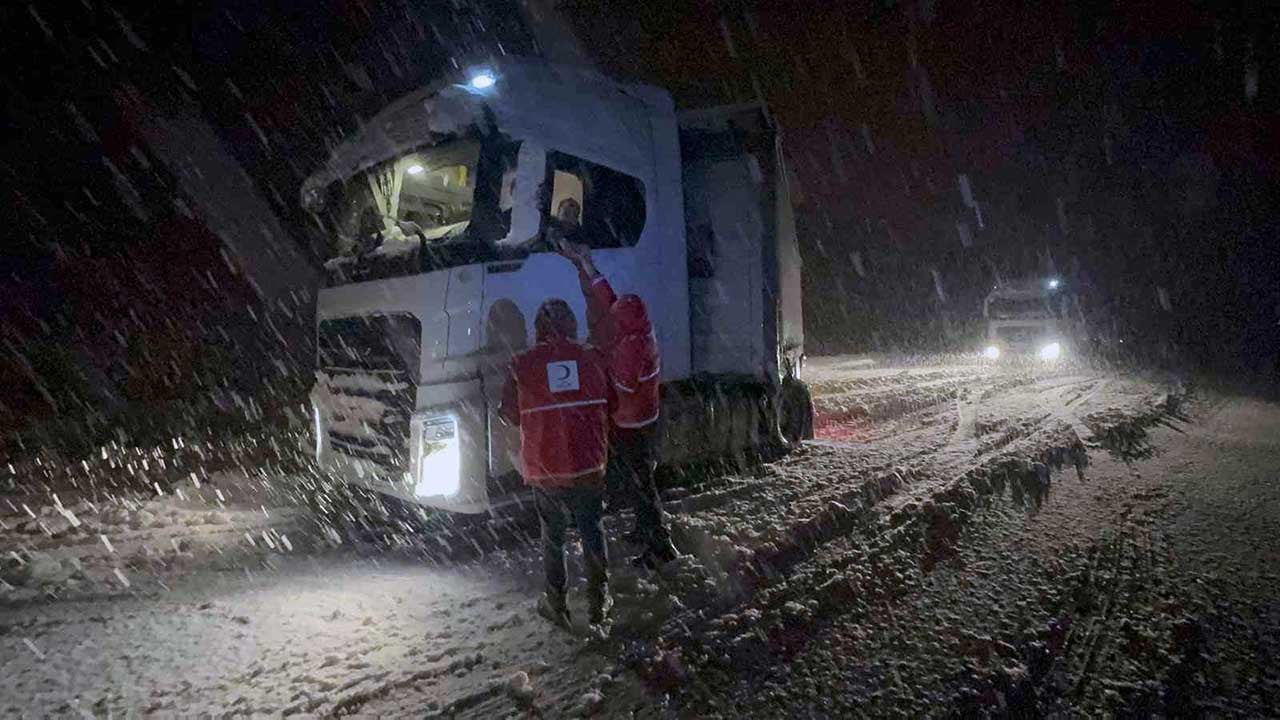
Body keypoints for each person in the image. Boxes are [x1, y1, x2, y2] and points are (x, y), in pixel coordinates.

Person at [557, 240, 680, 569]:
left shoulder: (633, 347)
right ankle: (644, 529)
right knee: (638, 480)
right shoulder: (637, 327)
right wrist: (587, 264)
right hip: (640, 419)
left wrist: (596, 357)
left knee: (642, 485)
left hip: (633, 424)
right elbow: (609, 300)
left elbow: (622, 384)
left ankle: (660, 544)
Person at [500, 299, 614, 628]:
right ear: (571, 324)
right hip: (588, 463)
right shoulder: (593, 357)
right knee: (592, 529)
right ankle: (598, 602)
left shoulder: (521, 363)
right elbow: (613, 403)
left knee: (553, 536)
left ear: (538, 328)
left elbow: (509, 414)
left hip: (546, 467)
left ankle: (557, 603)